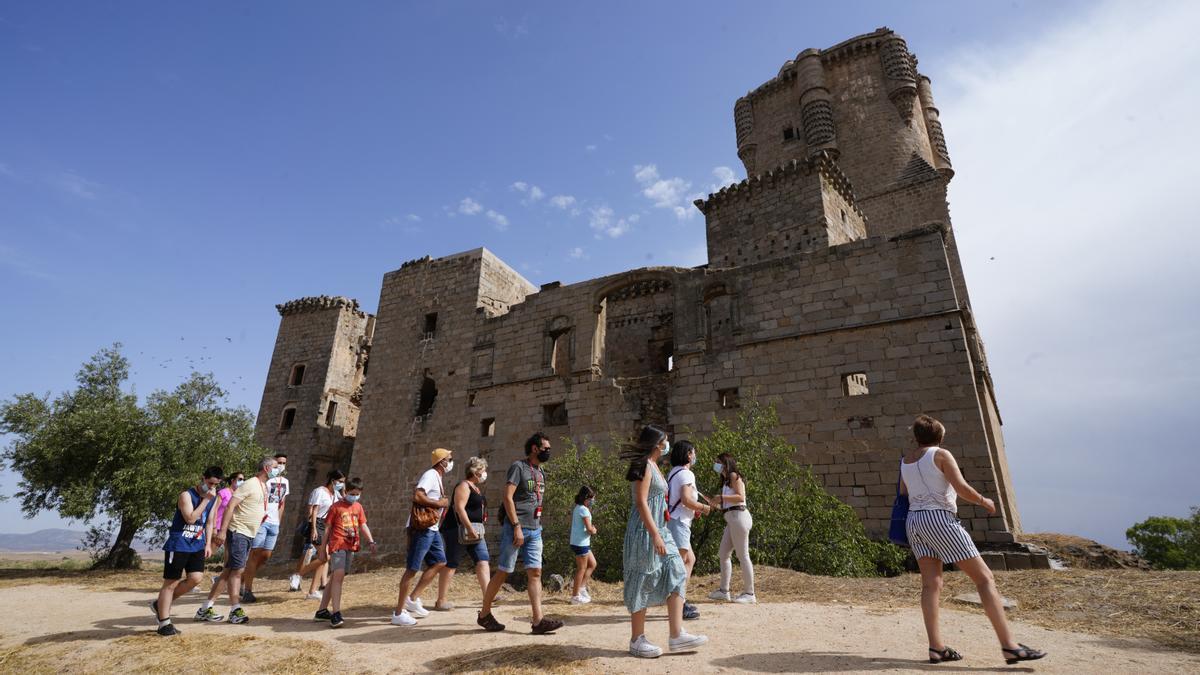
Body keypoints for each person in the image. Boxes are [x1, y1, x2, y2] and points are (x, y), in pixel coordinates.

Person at [901, 414, 1046, 665]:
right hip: (940, 519)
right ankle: (1009, 646)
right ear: (940, 437)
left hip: (915, 521)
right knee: (984, 578)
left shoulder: (905, 461)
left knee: (931, 585)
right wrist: (983, 500)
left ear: (916, 437)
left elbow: (904, 493)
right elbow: (961, 487)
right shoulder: (941, 455)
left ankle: (936, 648)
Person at [621, 425, 707, 658]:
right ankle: (636, 639)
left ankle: (677, 635)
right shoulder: (644, 465)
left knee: (678, 571)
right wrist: (655, 534)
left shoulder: (656, 466)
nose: (667, 445)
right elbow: (641, 502)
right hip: (644, 531)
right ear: (657, 443)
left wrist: (662, 530)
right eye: (665, 441)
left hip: (661, 529)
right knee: (643, 578)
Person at [476, 432, 563, 635]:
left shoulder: (541, 473)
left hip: (535, 529)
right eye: (546, 448)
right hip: (516, 527)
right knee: (504, 571)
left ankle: (538, 620)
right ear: (534, 448)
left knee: (535, 572)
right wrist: (515, 525)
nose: (548, 452)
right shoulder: (519, 467)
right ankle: (484, 614)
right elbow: (507, 497)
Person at [150, 466, 223, 636]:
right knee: (171, 582)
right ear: (202, 478)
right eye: (210, 483)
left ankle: (159, 605)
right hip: (179, 544)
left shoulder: (214, 497)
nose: (212, 488)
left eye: (216, 485)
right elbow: (190, 518)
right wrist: (205, 500)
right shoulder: (186, 495)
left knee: (196, 578)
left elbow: (210, 522)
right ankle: (164, 623)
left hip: (197, 544)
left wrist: (207, 544)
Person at [209, 455, 277, 625]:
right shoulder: (250, 484)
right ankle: (235, 609)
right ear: (267, 468)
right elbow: (231, 505)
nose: (279, 470)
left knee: (227, 571)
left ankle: (206, 606)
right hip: (238, 531)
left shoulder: (263, 487)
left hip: (248, 533)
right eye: (276, 466)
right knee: (237, 571)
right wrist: (223, 531)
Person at [391, 448, 453, 627]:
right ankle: (398, 612)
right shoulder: (431, 474)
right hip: (422, 528)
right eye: (449, 459)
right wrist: (438, 503)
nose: (450, 462)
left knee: (440, 561)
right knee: (412, 568)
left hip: (431, 529)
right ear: (441, 461)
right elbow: (418, 494)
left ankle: (412, 599)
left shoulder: (437, 477)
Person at [312, 477, 377, 628]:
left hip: (351, 546)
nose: (354, 496)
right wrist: (322, 549)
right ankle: (336, 613)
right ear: (346, 491)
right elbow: (327, 528)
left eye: (357, 494)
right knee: (339, 576)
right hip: (338, 544)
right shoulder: (336, 507)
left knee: (336, 577)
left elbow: (363, 525)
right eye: (352, 493)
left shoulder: (358, 507)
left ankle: (322, 611)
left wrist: (371, 541)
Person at [435, 456, 491, 611]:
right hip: (457, 530)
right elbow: (459, 508)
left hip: (476, 531)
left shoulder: (476, 488)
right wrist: (470, 528)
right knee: (451, 563)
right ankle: (441, 600)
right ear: (476, 471)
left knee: (483, 560)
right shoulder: (463, 486)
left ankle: (488, 595)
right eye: (483, 470)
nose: (485, 473)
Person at [665, 440, 713, 619]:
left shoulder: (674, 473)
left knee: (688, 560)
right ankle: (679, 605)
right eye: (693, 452)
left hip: (676, 521)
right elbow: (686, 499)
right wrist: (703, 507)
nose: (695, 456)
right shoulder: (686, 474)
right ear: (688, 454)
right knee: (680, 565)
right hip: (680, 523)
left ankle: (679, 600)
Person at [706, 452, 756, 604]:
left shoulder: (734, 476)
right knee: (723, 554)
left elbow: (740, 497)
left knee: (743, 555)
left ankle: (750, 593)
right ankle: (724, 591)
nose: (716, 464)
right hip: (732, 518)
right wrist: (715, 503)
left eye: (718, 461)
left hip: (739, 517)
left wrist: (721, 498)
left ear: (725, 462)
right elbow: (728, 503)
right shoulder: (726, 480)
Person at [240, 452, 288, 602]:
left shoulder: (285, 482)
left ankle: (241, 579)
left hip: (274, 523)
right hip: (261, 521)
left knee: (265, 556)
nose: (280, 466)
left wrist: (279, 522)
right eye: (278, 463)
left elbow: (282, 502)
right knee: (255, 554)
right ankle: (247, 590)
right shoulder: (262, 481)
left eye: (283, 463)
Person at [291, 469, 346, 599]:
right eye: (340, 482)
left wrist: (342, 490)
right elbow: (314, 510)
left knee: (323, 559)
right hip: (318, 524)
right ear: (333, 481)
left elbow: (344, 502)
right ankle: (298, 574)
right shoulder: (320, 491)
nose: (341, 484)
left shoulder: (335, 495)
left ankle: (313, 591)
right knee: (324, 557)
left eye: (343, 482)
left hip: (327, 526)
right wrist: (314, 529)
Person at [208, 471, 243, 593]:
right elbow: (215, 509)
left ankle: (219, 580)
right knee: (209, 552)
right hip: (218, 527)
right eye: (239, 479)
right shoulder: (223, 492)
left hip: (231, 528)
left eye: (243, 479)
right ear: (233, 480)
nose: (241, 481)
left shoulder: (239, 494)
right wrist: (213, 528)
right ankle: (192, 575)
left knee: (229, 558)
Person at [569, 485, 597, 604]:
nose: (592, 501)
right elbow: (589, 529)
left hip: (580, 542)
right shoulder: (584, 510)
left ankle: (581, 588)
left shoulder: (578, 508)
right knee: (581, 568)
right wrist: (594, 530)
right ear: (586, 498)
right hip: (581, 543)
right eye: (591, 498)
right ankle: (575, 596)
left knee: (593, 564)